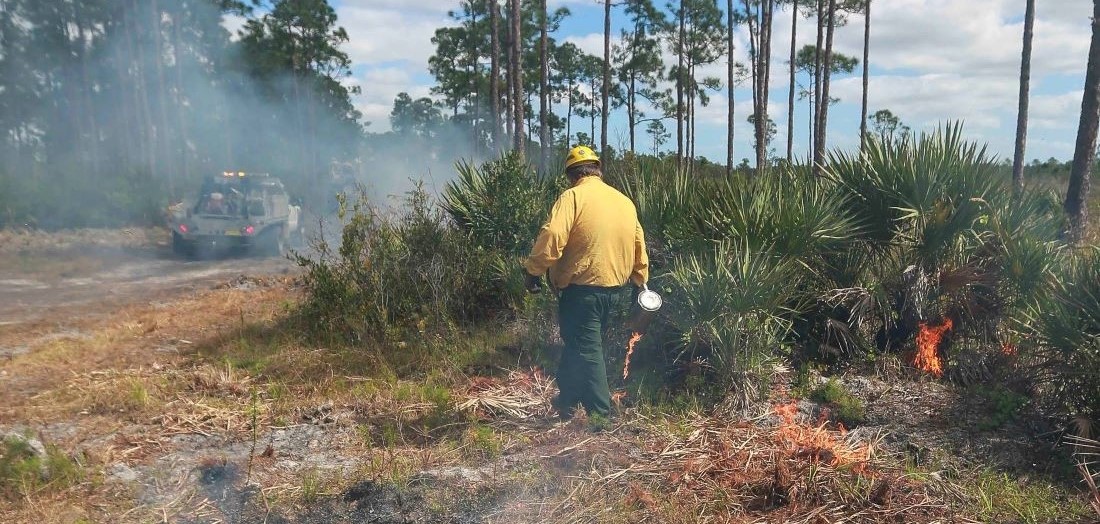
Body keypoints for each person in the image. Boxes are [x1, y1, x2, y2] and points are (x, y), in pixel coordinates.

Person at [523, 145, 649, 422]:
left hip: (582, 292)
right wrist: (641, 282)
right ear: (598, 169)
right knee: (578, 344)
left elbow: (553, 234)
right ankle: (567, 399)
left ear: (571, 175)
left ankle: (600, 417)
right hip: (615, 292)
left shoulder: (573, 197)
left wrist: (533, 271)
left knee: (588, 350)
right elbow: (639, 242)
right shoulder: (623, 201)